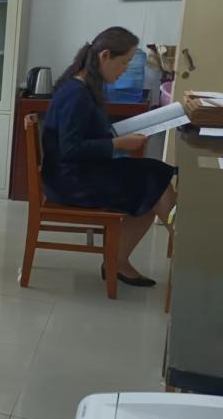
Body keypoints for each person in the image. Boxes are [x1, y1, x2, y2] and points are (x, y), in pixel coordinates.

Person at [42, 26, 176, 286]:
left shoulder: (85, 87)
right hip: (71, 181)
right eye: (124, 62)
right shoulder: (76, 94)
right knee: (156, 182)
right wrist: (117, 143)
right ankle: (188, 257)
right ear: (105, 56)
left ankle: (119, 261)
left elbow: (85, 135)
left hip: (80, 172)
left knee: (154, 180)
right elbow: (70, 149)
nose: (125, 69)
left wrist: (116, 137)